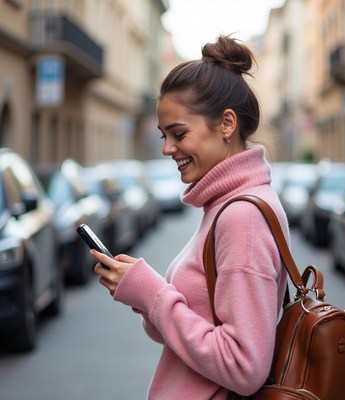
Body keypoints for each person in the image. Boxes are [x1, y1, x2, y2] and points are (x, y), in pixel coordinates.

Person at [91, 35, 289, 399]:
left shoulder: (241, 216)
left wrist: (153, 294)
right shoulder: (225, 205)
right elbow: (193, 326)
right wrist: (141, 290)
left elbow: (244, 366)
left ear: (227, 123)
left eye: (179, 133)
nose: (167, 148)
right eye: (164, 135)